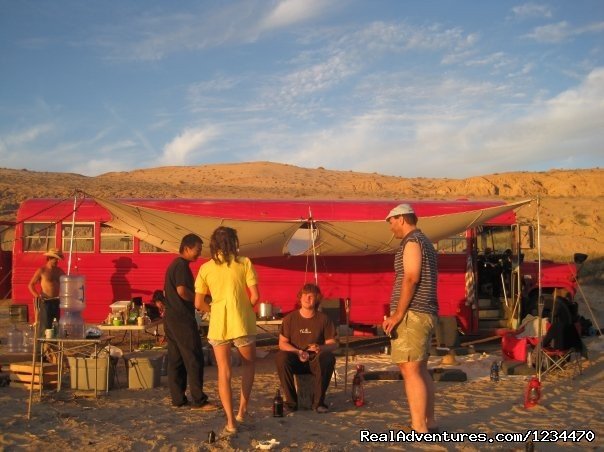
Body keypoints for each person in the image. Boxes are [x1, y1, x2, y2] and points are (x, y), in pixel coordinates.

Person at [194, 226, 259, 435]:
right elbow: (255, 296)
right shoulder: (244, 263)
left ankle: (231, 422)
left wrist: (213, 310)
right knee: (248, 366)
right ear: (234, 242)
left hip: (218, 325)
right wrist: (244, 308)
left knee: (224, 372)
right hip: (241, 322)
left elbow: (198, 302)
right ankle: (242, 410)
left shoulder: (206, 268)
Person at [382, 204, 438, 433]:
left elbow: (411, 278)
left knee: (410, 370)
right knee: (420, 369)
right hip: (423, 311)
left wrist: (397, 314)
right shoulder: (425, 242)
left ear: (402, 219)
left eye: (392, 222)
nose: (391, 228)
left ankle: (418, 426)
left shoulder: (413, 242)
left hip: (413, 314)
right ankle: (427, 421)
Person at [163, 234, 216, 411]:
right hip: (181, 317)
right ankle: (199, 400)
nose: (198, 254)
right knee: (194, 357)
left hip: (171, 317)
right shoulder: (181, 266)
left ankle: (178, 399)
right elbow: (182, 291)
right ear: (187, 248)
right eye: (197, 250)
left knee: (176, 358)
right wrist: (199, 301)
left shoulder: (175, 265)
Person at [275, 283, 337, 413]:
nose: (308, 298)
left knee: (328, 357)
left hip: (315, 360)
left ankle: (318, 403)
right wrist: (298, 352)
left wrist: (320, 347)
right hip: (296, 358)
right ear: (300, 297)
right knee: (281, 357)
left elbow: (333, 344)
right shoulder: (289, 319)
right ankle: (291, 403)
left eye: (312, 296)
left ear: (317, 299)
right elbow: (282, 343)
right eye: (305, 295)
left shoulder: (324, 319)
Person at [28, 248, 65, 334]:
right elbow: (30, 285)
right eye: (55, 259)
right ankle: (45, 346)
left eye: (58, 259)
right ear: (49, 258)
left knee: (56, 326)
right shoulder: (42, 270)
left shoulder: (59, 271)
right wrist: (37, 296)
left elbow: (66, 282)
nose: (57, 261)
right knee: (45, 325)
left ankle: (53, 346)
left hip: (56, 301)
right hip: (45, 301)